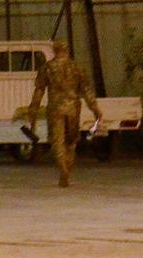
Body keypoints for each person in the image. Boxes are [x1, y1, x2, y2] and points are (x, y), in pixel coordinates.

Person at [28, 41, 103, 187]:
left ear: (55, 50)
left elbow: (39, 90)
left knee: (57, 142)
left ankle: (63, 170)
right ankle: (67, 168)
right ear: (67, 50)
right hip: (73, 108)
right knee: (71, 142)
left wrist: (33, 109)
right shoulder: (76, 68)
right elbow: (87, 91)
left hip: (55, 109)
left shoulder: (47, 68)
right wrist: (95, 109)